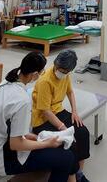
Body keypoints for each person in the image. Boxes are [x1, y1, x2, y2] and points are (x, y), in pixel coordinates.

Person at [0, 51, 78, 181]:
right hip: (2, 161)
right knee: (66, 158)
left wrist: (31, 136)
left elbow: (7, 124)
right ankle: (76, 176)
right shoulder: (22, 101)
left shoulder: (5, 83)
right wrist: (47, 143)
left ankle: (77, 177)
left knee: (62, 151)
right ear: (35, 74)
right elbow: (16, 145)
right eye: (42, 72)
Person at [32, 50, 91, 182]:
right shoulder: (45, 81)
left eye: (65, 72)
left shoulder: (65, 75)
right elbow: (45, 111)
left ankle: (79, 173)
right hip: (42, 120)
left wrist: (74, 112)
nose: (61, 73)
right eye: (60, 70)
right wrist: (63, 127)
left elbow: (70, 92)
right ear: (56, 64)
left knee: (83, 132)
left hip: (58, 112)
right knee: (70, 143)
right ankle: (74, 175)